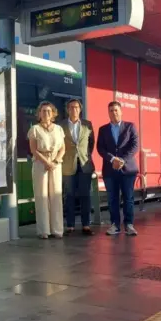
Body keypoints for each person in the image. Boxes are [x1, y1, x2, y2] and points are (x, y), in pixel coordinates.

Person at [97, 101, 139, 236]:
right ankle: (115, 225)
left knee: (128, 198)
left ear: (121, 111)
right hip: (110, 170)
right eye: (110, 110)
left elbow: (134, 145)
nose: (113, 113)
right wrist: (112, 159)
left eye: (116, 110)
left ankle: (129, 225)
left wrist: (122, 160)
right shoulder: (103, 129)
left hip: (128, 169)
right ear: (108, 113)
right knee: (112, 198)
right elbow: (100, 148)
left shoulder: (130, 126)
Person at [28, 101, 66, 239]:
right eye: (43, 111)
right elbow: (33, 149)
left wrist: (55, 161)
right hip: (40, 164)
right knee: (41, 196)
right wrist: (46, 162)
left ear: (53, 113)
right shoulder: (34, 129)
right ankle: (44, 230)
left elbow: (63, 148)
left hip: (56, 164)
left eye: (49, 111)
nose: (46, 113)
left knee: (56, 196)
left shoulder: (58, 129)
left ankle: (57, 230)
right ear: (39, 114)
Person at [60, 99, 95, 235]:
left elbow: (91, 143)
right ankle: (70, 226)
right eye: (71, 107)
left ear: (80, 109)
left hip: (84, 164)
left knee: (85, 195)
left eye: (76, 107)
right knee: (69, 196)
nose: (74, 110)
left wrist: (85, 156)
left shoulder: (87, 125)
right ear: (67, 110)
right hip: (68, 164)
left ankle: (86, 225)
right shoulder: (61, 125)